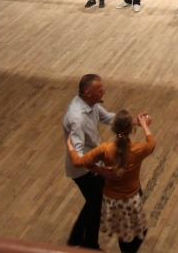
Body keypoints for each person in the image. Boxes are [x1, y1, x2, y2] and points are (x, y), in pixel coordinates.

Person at [67, 110, 155, 253]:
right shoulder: (138, 149)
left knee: (128, 234)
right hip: (130, 199)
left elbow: (78, 162)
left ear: (113, 129)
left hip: (112, 201)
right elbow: (152, 143)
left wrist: (71, 147)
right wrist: (144, 125)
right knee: (132, 236)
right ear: (131, 130)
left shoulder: (105, 149)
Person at [63, 74, 115, 250]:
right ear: (87, 93)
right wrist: (99, 170)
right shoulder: (77, 118)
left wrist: (132, 122)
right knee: (96, 203)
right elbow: (78, 157)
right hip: (83, 170)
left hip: (92, 164)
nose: (104, 91)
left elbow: (108, 118)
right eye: (99, 89)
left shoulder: (91, 104)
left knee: (94, 201)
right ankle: (89, 245)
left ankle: (76, 238)